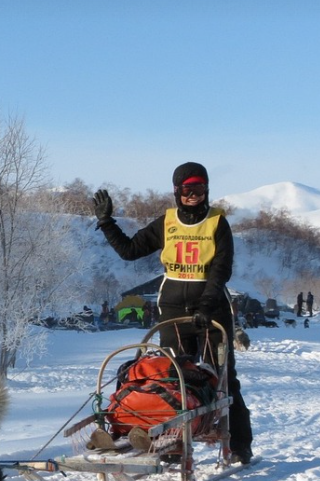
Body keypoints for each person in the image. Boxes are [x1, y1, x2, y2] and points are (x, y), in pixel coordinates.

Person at [91, 162, 254, 464]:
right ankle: (173, 444)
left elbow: (221, 270)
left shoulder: (217, 222)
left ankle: (239, 445)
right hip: (173, 309)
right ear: (177, 191)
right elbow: (130, 250)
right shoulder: (167, 222)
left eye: (199, 189)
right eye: (187, 190)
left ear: (207, 190)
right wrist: (106, 222)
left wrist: (206, 305)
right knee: (173, 379)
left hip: (212, 311)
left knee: (223, 379)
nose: (193, 196)